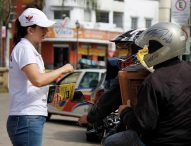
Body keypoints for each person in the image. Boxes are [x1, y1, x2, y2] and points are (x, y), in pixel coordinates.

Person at [102, 22, 191, 146]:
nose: (148, 50)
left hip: (160, 141)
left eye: (151, 46)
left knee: (110, 142)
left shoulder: (154, 80)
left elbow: (143, 125)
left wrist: (125, 112)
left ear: (163, 47)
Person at [7, 8, 74, 146]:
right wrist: (64, 68)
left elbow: (35, 81)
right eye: (42, 28)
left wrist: (53, 92)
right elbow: (38, 80)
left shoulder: (26, 48)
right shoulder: (25, 48)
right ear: (30, 30)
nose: (46, 31)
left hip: (28, 117)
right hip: (27, 118)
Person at [78, 28, 145, 127]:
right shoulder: (154, 69)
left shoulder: (131, 73)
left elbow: (110, 99)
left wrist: (89, 117)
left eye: (128, 51)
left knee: (111, 141)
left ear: (137, 49)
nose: (126, 56)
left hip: (143, 126)